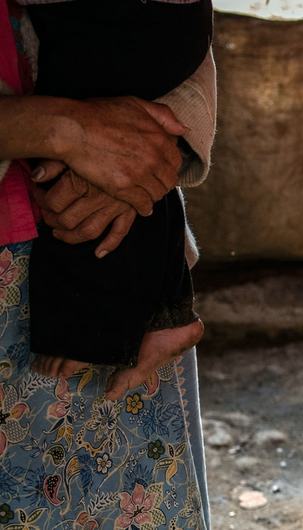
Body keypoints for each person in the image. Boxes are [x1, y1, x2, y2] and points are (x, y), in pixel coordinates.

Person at [0, 1, 216, 527]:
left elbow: (175, 56)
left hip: (98, 282)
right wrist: (68, 132)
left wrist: (141, 148)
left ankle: (159, 317)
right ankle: (167, 315)